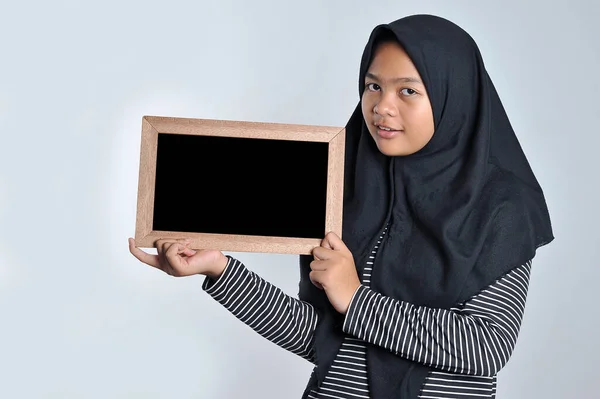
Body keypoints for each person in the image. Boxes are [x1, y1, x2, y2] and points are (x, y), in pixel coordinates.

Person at [129, 14, 554, 399]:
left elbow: (486, 348)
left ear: (451, 94)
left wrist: (355, 296)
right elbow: (319, 340)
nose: (382, 107)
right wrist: (220, 270)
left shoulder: (502, 206)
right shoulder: (345, 187)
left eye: (408, 90)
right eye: (373, 86)